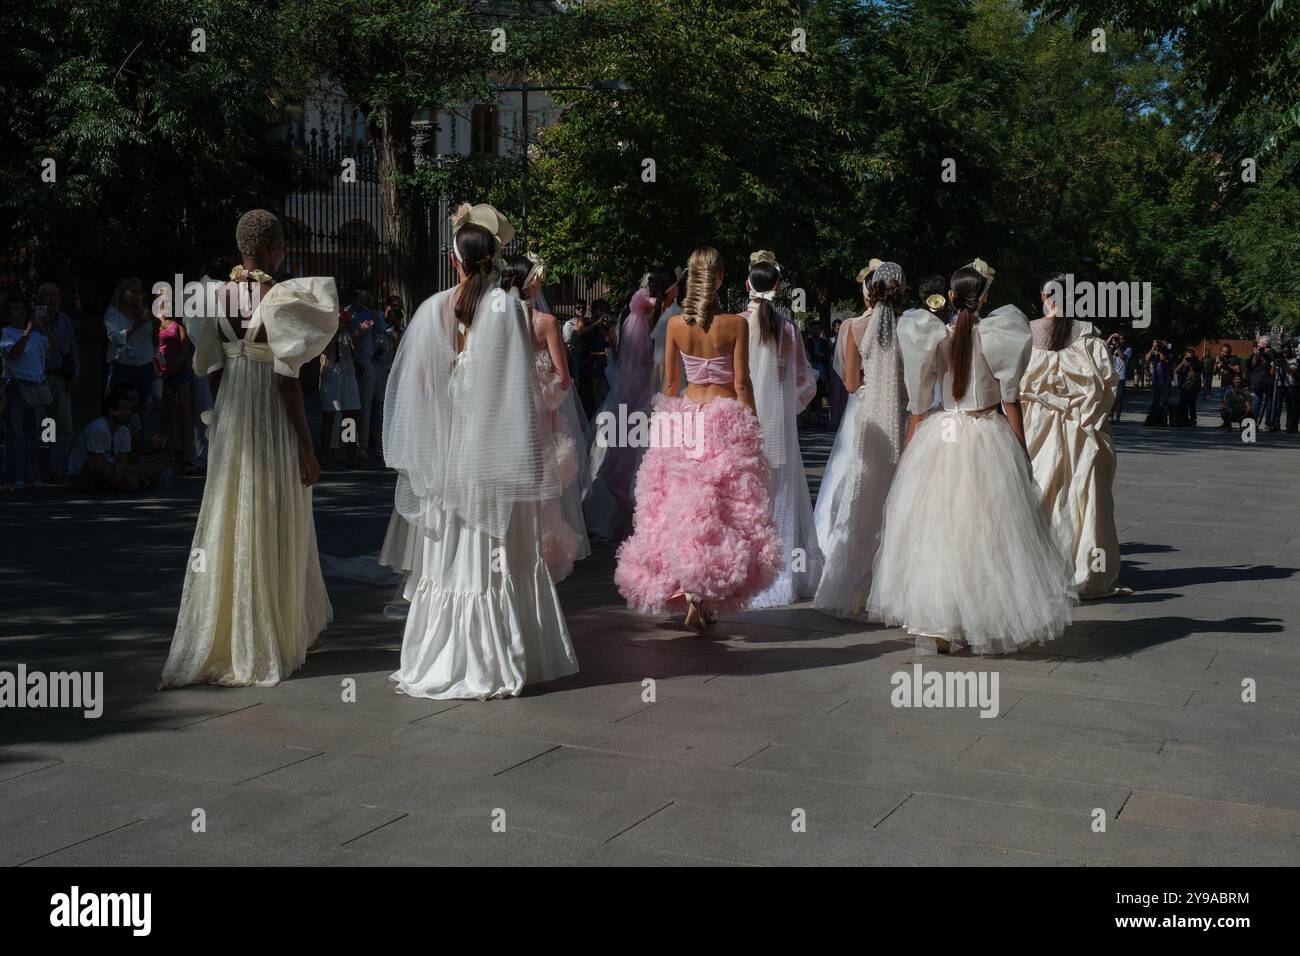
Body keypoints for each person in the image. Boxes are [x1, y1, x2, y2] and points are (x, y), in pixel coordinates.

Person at [384, 203, 577, 699]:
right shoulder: (508, 310)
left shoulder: (434, 309)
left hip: (453, 455)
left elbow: (422, 386)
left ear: (454, 262)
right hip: (496, 454)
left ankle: (448, 651)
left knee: (454, 552)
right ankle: (501, 654)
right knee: (499, 553)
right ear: (493, 259)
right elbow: (518, 392)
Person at [161, 209, 339, 689]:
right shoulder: (280, 298)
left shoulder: (211, 297)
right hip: (271, 417)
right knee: (278, 513)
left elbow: (212, 367)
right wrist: (307, 447)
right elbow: (288, 383)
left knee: (231, 513)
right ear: (276, 247)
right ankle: (278, 633)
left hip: (234, 415)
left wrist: (223, 419)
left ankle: (232, 632)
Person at [867, 263, 1074, 654]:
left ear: (948, 297)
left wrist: (910, 452)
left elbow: (918, 405)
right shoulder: (999, 335)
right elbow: (1010, 401)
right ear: (984, 299)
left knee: (940, 532)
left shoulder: (930, 336)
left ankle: (940, 625)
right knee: (988, 534)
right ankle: (986, 619)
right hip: (985, 434)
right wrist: (1021, 451)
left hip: (942, 436)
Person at [615, 246, 781, 633]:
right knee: (722, 510)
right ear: (721, 278)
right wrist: (752, 422)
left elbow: (671, 384)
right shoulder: (735, 325)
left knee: (685, 507)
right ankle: (703, 594)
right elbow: (741, 382)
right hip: (724, 418)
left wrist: (667, 427)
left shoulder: (675, 325)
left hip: (686, 417)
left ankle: (692, 594)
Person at [1021, 274, 1125, 599]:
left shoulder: (1026, 335)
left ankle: (1033, 571)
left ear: (1043, 295)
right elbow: (1107, 387)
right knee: (1087, 501)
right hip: (1082, 432)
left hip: (1037, 431)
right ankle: (1088, 575)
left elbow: (1012, 386)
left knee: (1039, 495)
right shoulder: (1090, 338)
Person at [813, 261, 908, 618]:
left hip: (867, 419)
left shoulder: (852, 327)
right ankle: (894, 590)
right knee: (897, 497)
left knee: (860, 495)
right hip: (900, 416)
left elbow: (851, 384)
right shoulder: (910, 327)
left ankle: (855, 588)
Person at [502, 250, 590, 581]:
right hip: (541, 419)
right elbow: (563, 378)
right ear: (533, 283)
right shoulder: (546, 323)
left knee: (512, 488)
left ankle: (509, 557)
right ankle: (540, 563)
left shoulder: (497, 320)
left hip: (506, 420)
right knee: (543, 491)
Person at [743, 250, 820, 607]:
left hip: (745, 421)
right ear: (778, 287)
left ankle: (745, 572)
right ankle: (782, 575)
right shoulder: (787, 328)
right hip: (779, 427)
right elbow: (805, 382)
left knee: (747, 496)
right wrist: (788, 406)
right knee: (780, 495)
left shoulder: (738, 324)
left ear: (747, 285)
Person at [584, 272, 675, 544]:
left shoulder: (638, 315)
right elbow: (647, 362)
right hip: (649, 390)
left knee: (627, 453)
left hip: (635, 391)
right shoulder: (658, 316)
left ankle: (627, 520)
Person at [2, 293, 55, 491]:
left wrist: (45, 327)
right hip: (16, 385)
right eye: (16, 308)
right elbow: (13, 355)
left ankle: (30, 475)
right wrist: (27, 332)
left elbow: (56, 348)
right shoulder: (6, 333)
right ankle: (13, 477)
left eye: (24, 308)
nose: (21, 312)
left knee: (32, 432)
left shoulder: (38, 335)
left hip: (37, 386)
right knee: (16, 433)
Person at [67, 388, 169, 492]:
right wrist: (122, 476)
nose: (129, 413)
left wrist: (123, 468)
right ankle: (124, 485)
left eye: (129, 409)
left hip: (112, 470)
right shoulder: (98, 428)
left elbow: (123, 460)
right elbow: (98, 462)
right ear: (111, 411)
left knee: (158, 461)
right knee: (93, 464)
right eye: (124, 409)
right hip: (84, 474)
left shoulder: (124, 430)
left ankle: (126, 481)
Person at [35, 282, 79, 481]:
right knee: (40, 426)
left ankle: (57, 469)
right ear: (40, 299)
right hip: (38, 379)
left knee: (63, 427)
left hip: (61, 379)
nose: (52, 300)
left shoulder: (65, 321)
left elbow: (72, 351)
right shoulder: (33, 321)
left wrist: (75, 375)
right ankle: (34, 470)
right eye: (47, 295)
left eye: (56, 295)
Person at [104, 277, 157, 423]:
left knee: (141, 410)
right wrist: (138, 322)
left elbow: (153, 338)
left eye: (139, 292)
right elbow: (116, 338)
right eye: (132, 292)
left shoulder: (144, 311)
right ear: (122, 293)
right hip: (122, 367)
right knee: (117, 410)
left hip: (145, 368)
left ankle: (138, 443)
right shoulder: (113, 314)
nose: (137, 296)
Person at [318, 291, 361, 467]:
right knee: (329, 414)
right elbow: (321, 348)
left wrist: (358, 331)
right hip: (331, 371)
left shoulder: (348, 325)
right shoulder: (323, 325)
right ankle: (326, 452)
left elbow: (356, 348)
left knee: (350, 413)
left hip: (347, 370)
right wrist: (336, 329)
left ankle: (349, 449)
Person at [155, 288, 196, 472]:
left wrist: (169, 370)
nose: (167, 303)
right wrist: (159, 373)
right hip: (161, 375)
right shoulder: (152, 324)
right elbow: (151, 349)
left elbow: (184, 349)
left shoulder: (179, 325)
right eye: (163, 300)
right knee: (166, 417)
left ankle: (187, 457)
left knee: (185, 415)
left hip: (179, 373)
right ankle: (168, 457)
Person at [1248, 336, 1278, 427]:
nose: (1258, 344)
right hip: (1258, 381)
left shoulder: (1272, 353)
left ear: (1264, 344)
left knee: (1269, 404)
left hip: (1268, 381)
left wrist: (1260, 355)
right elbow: (1252, 365)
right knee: (1256, 403)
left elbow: (1267, 364)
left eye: (1259, 343)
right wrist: (1255, 355)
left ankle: (1268, 424)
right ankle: (1253, 423)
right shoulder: (1258, 353)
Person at [1105, 331, 1133, 423]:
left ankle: (1118, 415)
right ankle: (1110, 415)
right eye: (1117, 339)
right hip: (1111, 375)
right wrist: (1111, 336)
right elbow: (1104, 346)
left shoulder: (1128, 349)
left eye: (1120, 339)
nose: (1118, 341)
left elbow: (1122, 357)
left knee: (1119, 397)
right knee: (1111, 396)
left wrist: (1117, 347)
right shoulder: (1111, 348)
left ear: (1124, 340)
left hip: (1121, 376)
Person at [1173, 347, 1201, 427]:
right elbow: (1176, 371)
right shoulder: (1183, 363)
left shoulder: (1197, 363)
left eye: (1190, 357)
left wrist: (1190, 366)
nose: (1189, 358)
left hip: (1193, 387)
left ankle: (1192, 420)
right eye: (1187, 357)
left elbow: (1194, 377)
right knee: (1182, 404)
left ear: (1193, 356)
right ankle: (1184, 420)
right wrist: (1182, 363)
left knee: (1191, 404)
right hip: (1184, 387)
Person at [1144, 340, 1168, 425]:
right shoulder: (1151, 351)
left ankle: (1163, 419)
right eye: (1154, 343)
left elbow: (1163, 360)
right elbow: (1146, 359)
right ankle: (1154, 417)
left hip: (1162, 377)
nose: (1155, 344)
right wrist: (1152, 350)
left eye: (1157, 343)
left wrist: (1159, 351)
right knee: (1154, 399)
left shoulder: (1162, 351)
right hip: (1154, 377)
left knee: (1163, 399)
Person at [1281, 343, 1298, 433]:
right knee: (1281, 406)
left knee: (1291, 407)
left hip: (1291, 386)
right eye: (1283, 352)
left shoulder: (1294, 360)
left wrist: (1285, 363)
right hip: (1281, 385)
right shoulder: (1279, 359)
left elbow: (1293, 371)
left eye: (1286, 352)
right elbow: (1272, 372)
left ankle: (1291, 426)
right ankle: (1273, 424)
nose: (1285, 354)